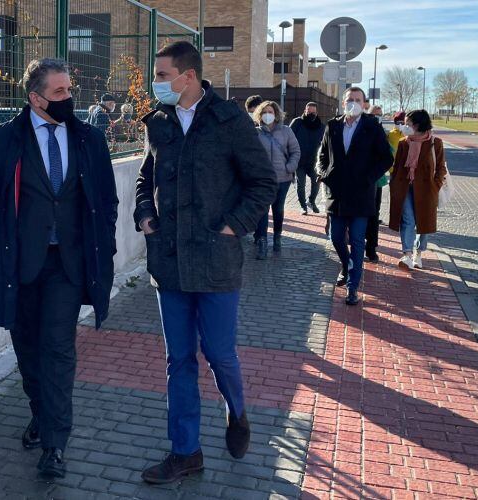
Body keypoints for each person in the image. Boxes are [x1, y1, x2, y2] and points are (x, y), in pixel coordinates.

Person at [0, 58, 119, 479]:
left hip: (68, 266)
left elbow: (106, 201)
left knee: (58, 349)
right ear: (35, 98)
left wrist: (104, 248)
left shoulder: (91, 138)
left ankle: (55, 444)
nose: (68, 98)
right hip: (20, 265)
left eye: (69, 90)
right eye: (58, 93)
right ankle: (40, 412)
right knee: (28, 350)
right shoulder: (5, 138)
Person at [135, 41, 275, 484]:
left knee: (219, 354)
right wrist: (145, 216)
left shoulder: (229, 120)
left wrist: (234, 225)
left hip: (216, 261)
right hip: (170, 262)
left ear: (188, 76)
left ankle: (237, 411)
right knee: (180, 360)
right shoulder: (157, 122)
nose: (156, 83)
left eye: (162, 74)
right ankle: (185, 451)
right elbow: (145, 175)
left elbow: (262, 182)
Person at [316, 87, 393, 305]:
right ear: (343, 103)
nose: (354, 103)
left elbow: (386, 158)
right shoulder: (332, 126)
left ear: (364, 103)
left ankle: (353, 286)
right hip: (337, 193)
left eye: (358, 100)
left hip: (361, 194)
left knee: (358, 240)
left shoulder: (372, 127)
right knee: (336, 237)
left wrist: (369, 178)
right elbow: (322, 155)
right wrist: (324, 174)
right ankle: (346, 265)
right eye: (350, 99)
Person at [387, 110, 446, 270]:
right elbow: (397, 166)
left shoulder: (435, 143)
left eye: (408, 123)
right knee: (408, 220)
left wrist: (436, 185)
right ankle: (406, 254)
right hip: (404, 187)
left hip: (427, 189)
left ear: (418, 125)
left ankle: (418, 254)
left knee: (423, 221)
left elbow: (441, 167)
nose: (405, 126)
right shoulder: (403, 143)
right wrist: (393, 184)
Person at [251, 100, 300, 258]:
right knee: (263, 211)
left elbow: (295, 151)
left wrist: (289, 168)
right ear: (259, 114)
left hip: (282, 178)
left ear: (276, 114)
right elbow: (249, 154)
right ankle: (262, 243)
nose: (267, 115)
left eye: (270, 112)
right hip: (262, 180)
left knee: (278, 209)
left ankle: (277, 236)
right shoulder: (255, 132)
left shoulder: (286, 131)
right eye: (264, 112)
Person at [364, 105, 389, 262]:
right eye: (374, 115)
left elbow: (387, 156)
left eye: (380, 115)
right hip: (361, 180)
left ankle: (371, 247)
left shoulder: (385, 133)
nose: (377, 117)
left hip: (376, 180)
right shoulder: (364, 130)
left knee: (374, 214)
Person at [290, 102, 325, 215]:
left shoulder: (321, 126)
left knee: (316, 182)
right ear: (305, 111)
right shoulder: (297, 122)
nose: (311, 114)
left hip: (314, 162)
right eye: (309, 112)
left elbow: (325, 144)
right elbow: (288, 137)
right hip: (299, 160)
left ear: (317, 113)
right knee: (301, 184)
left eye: (313, 112)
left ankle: (311, 201)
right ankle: (303, 206)